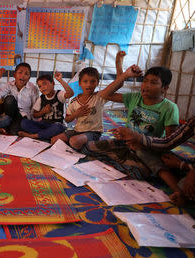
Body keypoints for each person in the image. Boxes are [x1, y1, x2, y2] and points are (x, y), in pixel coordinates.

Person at [85, 59, 181, 203]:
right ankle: (130, 162)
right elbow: (104, 94)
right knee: (89, 147)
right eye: (145, 81)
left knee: (143, 165)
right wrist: (125, 76)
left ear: (165, 88)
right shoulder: (135, 98)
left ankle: (175, 188)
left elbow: (169, 141)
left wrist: (143, 145)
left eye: (153, 82)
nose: (146, 86)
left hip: (148, 148)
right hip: (125, 143)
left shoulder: (169, 108)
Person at [113, 116, 194, 205]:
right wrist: (137, 138)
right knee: (145, 151)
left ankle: (183, 193)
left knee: (188, 187)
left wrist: (184, 166)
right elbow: (168, 142)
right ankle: (181, 191)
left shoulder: (169, 107)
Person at [50, 67, 106, 150]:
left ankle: (90, 146)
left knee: (74, 141)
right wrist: (76, 114)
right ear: (80, 83)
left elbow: (116, 86)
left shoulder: (100, 97)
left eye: (93, 81)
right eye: (85, 81)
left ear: (97, 83)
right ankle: (84, 146)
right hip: (77, 131)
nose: (89, 84)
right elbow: (67, 119)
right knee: (54, 140)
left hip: (93, 132)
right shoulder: (74, 101)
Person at [18, 72, 74, 141]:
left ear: (53, 83)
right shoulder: (41, 98)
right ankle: (45, 135)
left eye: (44, 84)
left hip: (56, 124)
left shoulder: (59, 94)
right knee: (24, 123)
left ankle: (34, 135)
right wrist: (43, 111)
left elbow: (71, 93)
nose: (42, 88)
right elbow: (35, 115)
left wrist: (60, 80)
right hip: (44, 124)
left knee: (58, 128)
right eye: (40, 86)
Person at [0, 62, 40, 135]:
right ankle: (7, 122)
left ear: (29, 77)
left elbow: (34, 108)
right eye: (20, 72)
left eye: (26, 74)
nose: (23, 76)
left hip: (23, 116)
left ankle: (9, 125)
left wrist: (32, 123)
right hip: (10, 114)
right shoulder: (9, 85)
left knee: (13, 132)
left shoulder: (33, 89)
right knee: (9, 99)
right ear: (14, 75)